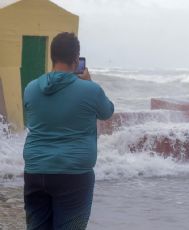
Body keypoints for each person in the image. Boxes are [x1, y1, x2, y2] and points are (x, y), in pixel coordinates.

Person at [23, 32, 114, 229]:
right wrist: (88, 82)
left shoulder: (30, 88)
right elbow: (107, 112)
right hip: (74, 175)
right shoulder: (90, 90)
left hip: (35, 171)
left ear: (52, 57)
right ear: (76, 58)